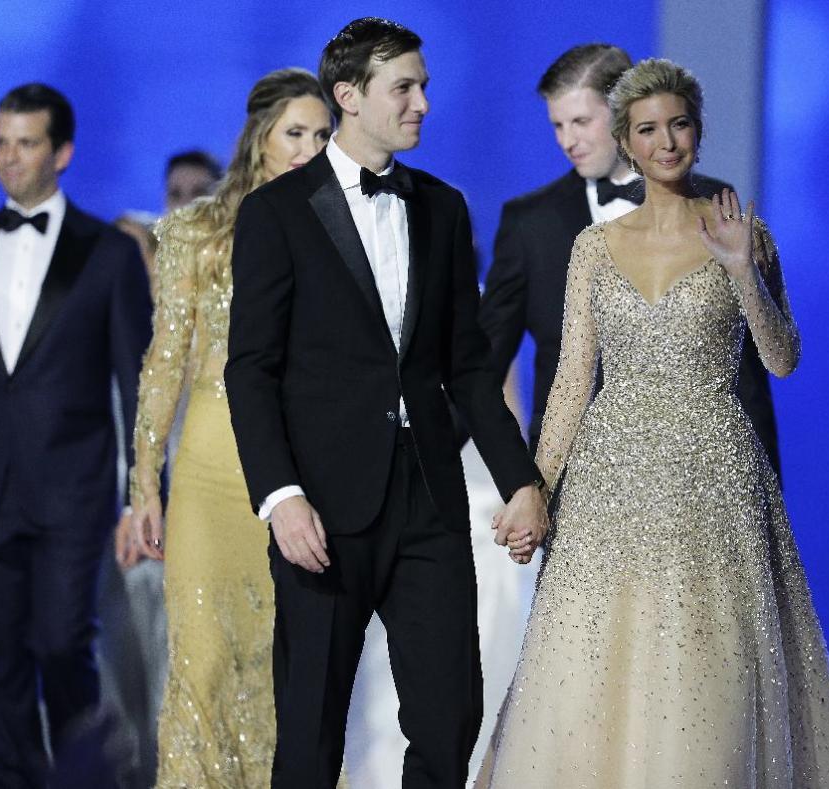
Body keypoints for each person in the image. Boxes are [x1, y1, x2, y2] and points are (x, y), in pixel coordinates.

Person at [478, 59, 829, 787]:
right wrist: (536, 487)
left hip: (712, 478)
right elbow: (570, 383)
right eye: (648, 129)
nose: (666, 142)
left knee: (705, 676)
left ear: (698, 129)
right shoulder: (593, 247)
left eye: (679, 124)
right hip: (610, 482)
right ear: (627, 141)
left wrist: (744, 269)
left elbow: (782, 360)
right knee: (594, 673)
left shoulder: (744, 232)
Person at [224, 17, 547, 788]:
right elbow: (250, 370)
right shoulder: (276, 213)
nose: (424, 103)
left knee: (450, 718)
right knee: (311, 728)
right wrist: (281, 497)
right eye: (405, 86)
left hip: (429, 497)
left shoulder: (442, 207)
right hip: (322, 507)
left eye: (424, 85)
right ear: (350, 97)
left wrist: (520, 479)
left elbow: (468, 366)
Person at [129, 68, 339, 787]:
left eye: (320, 135)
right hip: (212, 471)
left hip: (304, 473)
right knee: (203, 661)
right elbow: (165, 363)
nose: (308, 148)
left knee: (284, 665)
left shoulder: (343, 228)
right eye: (294, 134)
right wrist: (143, 483)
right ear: (259, 135)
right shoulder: (197, 231)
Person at [479, 44, 780, 476]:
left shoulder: (716, 205)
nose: (567, 141)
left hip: (705, 477)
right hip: (575, 477)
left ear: (623, 114)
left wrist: (764, 485)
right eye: (558, 125)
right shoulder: (530, 224)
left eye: (581, 122)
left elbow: (749, 372)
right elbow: (484, 365)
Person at [0, 83, 153, 785]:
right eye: (0, 143)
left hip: (72, 493)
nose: (9, 159)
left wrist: (141, 491)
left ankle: (88, 775)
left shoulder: (107, 254)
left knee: (62, 644)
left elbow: (136, 380)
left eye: (26, 144)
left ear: (62, 152)